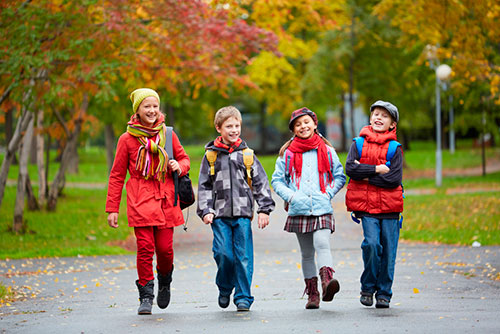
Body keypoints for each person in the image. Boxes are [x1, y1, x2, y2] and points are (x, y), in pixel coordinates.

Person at [105, 88, 190, 315]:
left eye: (155, 106)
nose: (152, 110)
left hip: (166, 198)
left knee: (165, 249)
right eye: (147, 106)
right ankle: (146, 295)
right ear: (138, 110)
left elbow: (184, 159)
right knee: (144, 248)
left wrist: (178, 166)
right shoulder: (127, 139)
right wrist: (112, 208)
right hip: (140, 197)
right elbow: (116, 175)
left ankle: (164, 280)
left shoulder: (168, 134)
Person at [197, 106, 275, 312]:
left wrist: (264, 209)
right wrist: (206, 210)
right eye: (229, 126)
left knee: (243, 257)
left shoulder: (247, 155)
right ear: (218, 128)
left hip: (242, 215)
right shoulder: (211, 157)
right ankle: (224, 287)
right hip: (219, 216)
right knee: (224, 254)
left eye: (237, 125)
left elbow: (261, 183)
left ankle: (243, 297)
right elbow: (204, 185)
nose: (234, 130)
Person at [271, 107, 346, 309]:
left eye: (306, 122)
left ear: (314, 124)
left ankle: (327, 281)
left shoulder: (327, 150)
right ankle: (313, 294)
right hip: (299, 208)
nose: (303, 126)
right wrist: (292, 197)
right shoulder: (287, 153)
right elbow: (277, 181)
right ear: (293, 129)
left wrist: (327, 194)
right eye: (298, 124)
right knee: (306, 253)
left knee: (322, 243)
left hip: (322, 206)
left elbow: (339, 176)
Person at [345, 100, 404, 309]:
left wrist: (366, 174)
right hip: (367, 207)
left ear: (392, 124)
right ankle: (368, 287)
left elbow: (394, 179)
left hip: (390, 209)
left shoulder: (395, 148)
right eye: (376, 114)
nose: (379, 118)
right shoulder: (358, 144)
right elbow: (351, 169)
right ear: (370, 119)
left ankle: (384, 292)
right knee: (371, 244)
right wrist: (377, 169)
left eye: (384, 116)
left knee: (388, 251)